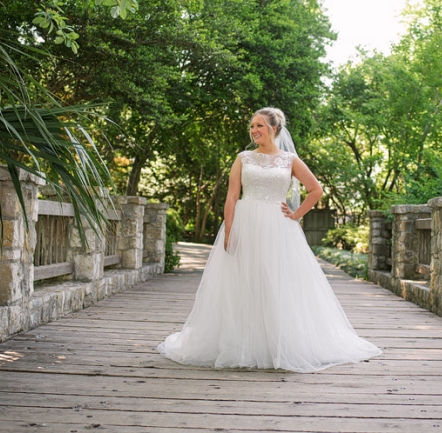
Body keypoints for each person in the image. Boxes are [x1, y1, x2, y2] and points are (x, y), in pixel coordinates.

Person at [157, 107, 381, 372]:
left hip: (278, 228)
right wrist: (229, 231)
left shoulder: (289, 160)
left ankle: (277, 345)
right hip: (246, 223)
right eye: (252, 126)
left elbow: (316, 189)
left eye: (259, 125)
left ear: (274, 128)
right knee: (243, 281)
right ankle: (241, 344)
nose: (254, 131)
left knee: (275, 281)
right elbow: (231, 197)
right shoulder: (243, 158)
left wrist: (296, 214)